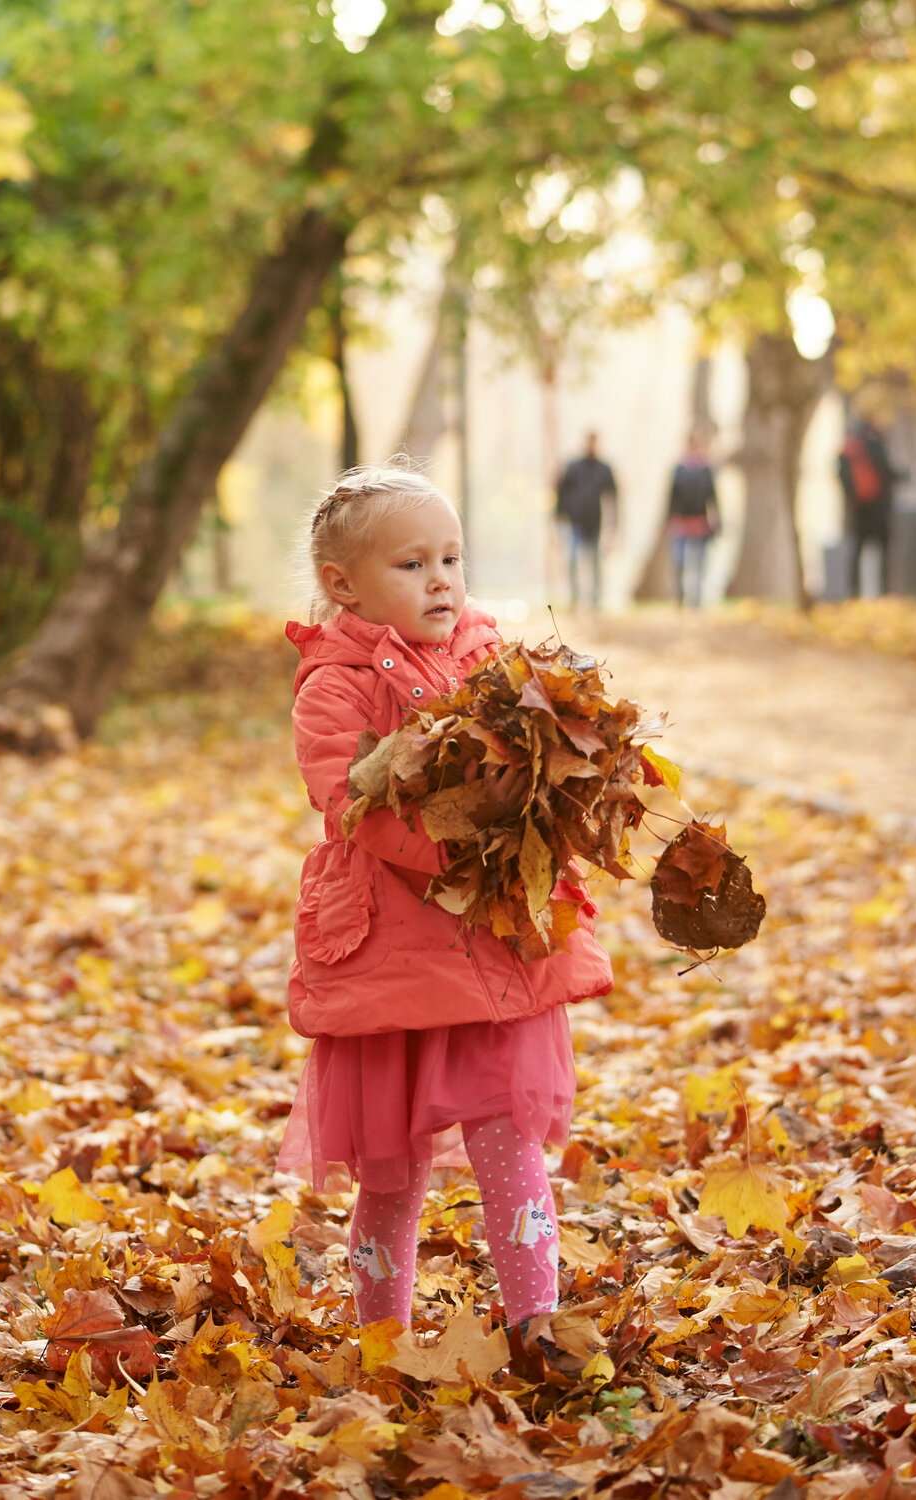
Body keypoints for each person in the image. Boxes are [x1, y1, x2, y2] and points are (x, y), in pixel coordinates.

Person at [277, 462, 613, 1341]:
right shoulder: (334, 685)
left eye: (451, 560)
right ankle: (382, 1331)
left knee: (507, 1131)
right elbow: (354, 803)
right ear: (341, 585)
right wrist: (461, 851)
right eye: (413, 564)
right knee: (391, 1172)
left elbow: (531, 754)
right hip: (394, 954)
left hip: (490, 943)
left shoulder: (489, 655)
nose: (441, 580)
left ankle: (536, 1319)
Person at [555, 433, 618, 610]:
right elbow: (562, 494)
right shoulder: (574, 467)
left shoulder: (603, 469)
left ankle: (595, 600)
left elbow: (612, 497)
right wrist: (560, 518)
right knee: (573, 560)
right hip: (575, 524)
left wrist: (612, 525)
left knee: (596, 563)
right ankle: (574, 597)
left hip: (595, 524)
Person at [838, 414, 898, 596]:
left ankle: (853, 591)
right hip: (877, 507)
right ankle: (885, 591)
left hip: (858, 507)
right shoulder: (875, 444)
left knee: (857, 549)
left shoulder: (849, 447)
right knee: (883, 549)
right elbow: (886, 471)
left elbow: (842, 478)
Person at [665, 430, 720, 608]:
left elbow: (713, 498)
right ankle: (681, 597)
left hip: (700, 523)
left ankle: (696, 600)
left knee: (698, 565)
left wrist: (717, 522)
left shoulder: (706, 471)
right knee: (680, 563)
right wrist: (669, 519)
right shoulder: (679, 470)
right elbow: (671, 497)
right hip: (681, 523)